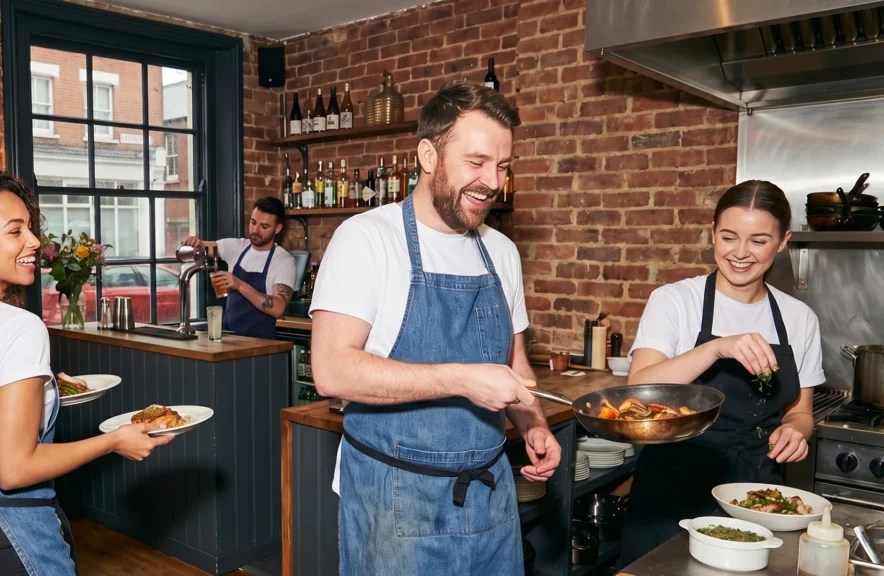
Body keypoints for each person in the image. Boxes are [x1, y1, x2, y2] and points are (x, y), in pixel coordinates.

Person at [309, 83, 560, 575]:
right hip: (395, 497)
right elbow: (332, 371)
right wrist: (465, 379)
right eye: (477, 162)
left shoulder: (502, 252)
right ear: (428, 154)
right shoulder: (367, 239)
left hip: (489, 494)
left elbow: (515, 366)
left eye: (503, 166)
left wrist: (534, 424)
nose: (492, 181)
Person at [0, 170, 173, 576]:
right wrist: (113, 442)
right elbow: (14, 469)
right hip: (3, 536)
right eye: (15, 230)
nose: (35, 241)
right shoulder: (18, 326)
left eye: (31, 229)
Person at [619, 180, 824, 566]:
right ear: (712, 233)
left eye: (759, 240)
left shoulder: (800, 319)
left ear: (783, 242)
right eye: (729, 237)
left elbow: (800, 411)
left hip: (755, 493)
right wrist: (715, 348)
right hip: (672, 486)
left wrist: (796, 431)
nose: (741, 253)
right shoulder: (676, 301)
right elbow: (639, 388)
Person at [182, 196, 296, 340]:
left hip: (261, 345)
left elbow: (278, 308)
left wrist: (239, 284)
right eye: (253, 222)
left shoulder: (283, 260)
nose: (255, 230)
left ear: (277, 228)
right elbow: (202, 247)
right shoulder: (237, 247)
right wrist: (194, 243)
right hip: (229, 339)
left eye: (264, 226)